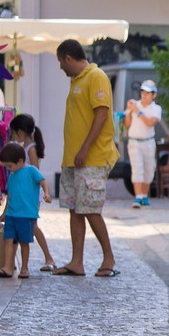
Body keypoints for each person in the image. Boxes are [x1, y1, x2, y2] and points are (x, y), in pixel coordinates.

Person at [51, 39, 119, 278]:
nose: (61, 68)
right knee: (74, 209)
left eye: (61, 62)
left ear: (69, 58)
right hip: (73, 158)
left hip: (92, 157)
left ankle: (108, 258)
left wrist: (84, 149)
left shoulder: (96, 76)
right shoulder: (76, 80)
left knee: (90, 209)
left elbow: (102, 115)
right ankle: (76, 261)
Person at [7, 114, 58, 271]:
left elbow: (35, 172)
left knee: (32, 226)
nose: (13, 137)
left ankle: (49, 258)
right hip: (24, 195)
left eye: (13, 134)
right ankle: (12, 261)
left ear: (21, 133)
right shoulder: (26, 148)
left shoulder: (31, 149)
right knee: (18, 223)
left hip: (29, 196)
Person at [0, 142, 52, 279]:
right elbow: (10, 195)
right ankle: (8, 267)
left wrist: (47, 193)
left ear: (20, 161)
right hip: (12, 214)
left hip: (26, 215)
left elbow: (43, 181)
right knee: (8, 239)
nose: (8, 169)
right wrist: (4, 212)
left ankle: (24, 268)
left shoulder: (31, 170)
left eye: (10, 166)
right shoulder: (12, 175)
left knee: (24, 242)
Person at [125, 80, 164, 208]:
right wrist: (129, 111)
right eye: (143, 92)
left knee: (149, 169)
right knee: (137, 168)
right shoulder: (134, 105)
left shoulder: (156, 109)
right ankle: (138, 197)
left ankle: (144, 195)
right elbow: (127, 124)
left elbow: (150, 123)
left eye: (148, 93)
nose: (144, 95)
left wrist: (137, 111)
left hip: (148, 142)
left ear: (154, 95)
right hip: (134, 142)